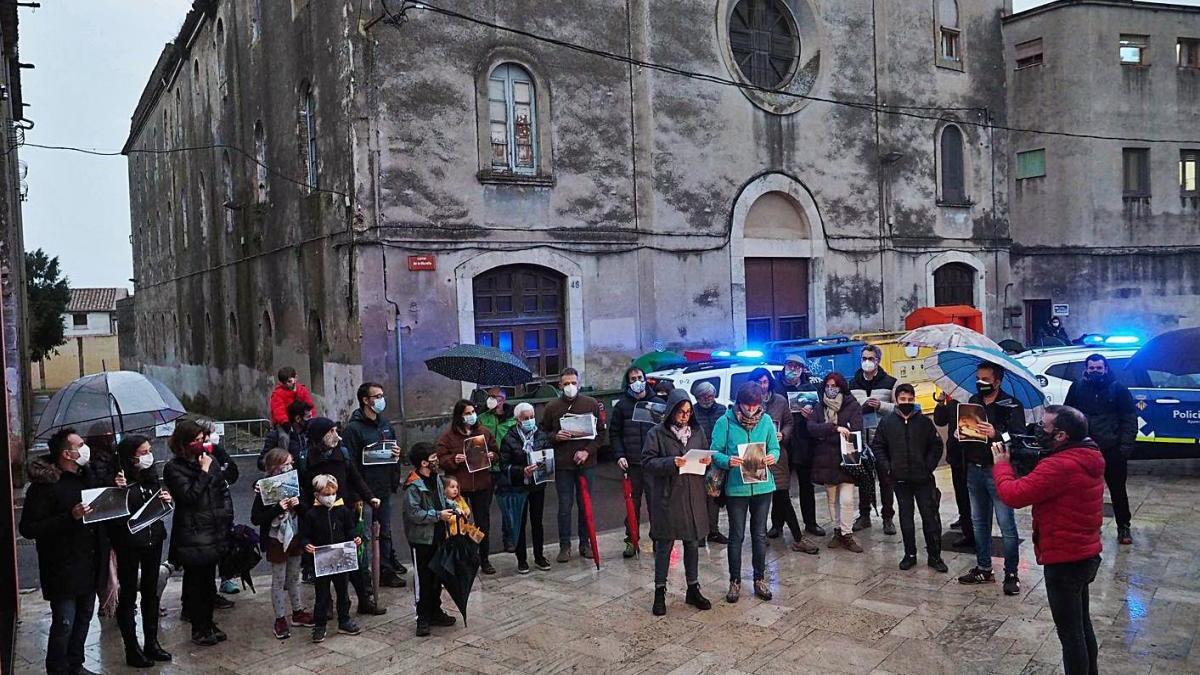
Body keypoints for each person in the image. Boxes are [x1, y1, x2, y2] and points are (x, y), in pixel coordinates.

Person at [994, 406, 1105, 675]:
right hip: (1084, 552)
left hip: (1064, 559)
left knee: (1070, 636)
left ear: (1061, 436)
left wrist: (1001, 467)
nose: (1038, 431)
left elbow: (1014, 495)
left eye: (1044, 427)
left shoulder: (1059, 465)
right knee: (1081, 625)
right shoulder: (1088, 453)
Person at [19, 428, 108, 675]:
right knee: (65, 622)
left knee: (84, 618)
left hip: (89, 561)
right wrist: (70, 517)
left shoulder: (87, 477)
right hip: (62, 566)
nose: (85, 448)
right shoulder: (45, 485)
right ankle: (57, 668)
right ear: (67, 453)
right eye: (80, 445)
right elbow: (28, 527)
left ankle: (75, 664)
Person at [943, 361, 1027, 595]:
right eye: (978, 378)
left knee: (1005, 523)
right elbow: (966, 428)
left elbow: (1018, 435)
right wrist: (961, 434)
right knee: (979, 522)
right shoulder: (973, 401)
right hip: (974, 467)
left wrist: (997, 433)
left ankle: (1011, 573)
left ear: (997, 381)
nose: (981, 383)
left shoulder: (1011, 404)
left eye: (986, 380)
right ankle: (984, 567)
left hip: (998, 469)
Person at [299, 417, 387, 616]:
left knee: (356, 558)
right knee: (323, 563)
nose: (335, 436)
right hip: (318, 518)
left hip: (343, 514)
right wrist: (307, 513)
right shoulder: (306, 459)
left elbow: (355, 478)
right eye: (330, 432)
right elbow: (302, 490)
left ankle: (364, 600)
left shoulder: (342, 453)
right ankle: (326, 604)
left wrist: (369, 497)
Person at [162, 419, 234, 646]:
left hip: (213, 528)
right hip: (193, 532)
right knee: (196, 583)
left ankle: (208, 622)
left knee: (208, 582)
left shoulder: (209, 460)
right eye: (196, 441)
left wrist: (225, 514)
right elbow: (188, 497)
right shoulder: (173, 468)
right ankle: (199, 626)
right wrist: (202, 473)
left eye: (202, 440)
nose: (201, 445)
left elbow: (222, 488)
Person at [643, 389, 714, 615]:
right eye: (680, 412)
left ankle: (693, 587)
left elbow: (705, 458)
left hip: (693, 494)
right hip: (668, 495)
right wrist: (671, 463)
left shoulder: (697, 431)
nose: (684, 416)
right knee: (665, 545)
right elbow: (648, 462)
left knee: (693, 542)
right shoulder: (657, 433)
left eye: (688, 412)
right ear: (672, 411)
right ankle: (659, 591)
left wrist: (706, 461)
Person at [710, 382, 781, 603]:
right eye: (746, 406)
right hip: (736, 487)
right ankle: (735, 581)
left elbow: (775, 448)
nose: (750, 411)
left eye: (754, 406)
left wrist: (773, 457)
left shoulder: (767, 420)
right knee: (736, 535)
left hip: (762, 486)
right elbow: (715, 452)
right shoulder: (725, 422)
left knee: (760, 534)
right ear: (738, 404)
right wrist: (727, 460)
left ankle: (759, 578)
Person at [110, 435, 174, 666]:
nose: (148, 456)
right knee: (128, 595)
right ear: (131, 456)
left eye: (149, 451)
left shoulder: (151, 475)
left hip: (152, 539)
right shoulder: (118, 477)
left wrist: (166, 499)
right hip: (128, 543)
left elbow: (156, 501)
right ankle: (132, 647)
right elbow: (113, 514)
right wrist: (119, 490)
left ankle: (152, 642)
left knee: (151, 591)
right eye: (143, 452)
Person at [871, 384, 947, 573]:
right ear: (896, 400)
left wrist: (928, 466)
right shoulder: (887, 423)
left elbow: (936, 445)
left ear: (914, 400)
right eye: (903, 399)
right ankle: (909, 554)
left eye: (910, 400)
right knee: (906, 518)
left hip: (923, 479)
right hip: (900, 479)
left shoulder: (924, 422)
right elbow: (878, 446)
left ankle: (935, 556)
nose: (906, 403)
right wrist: (888, 468)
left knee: (930, 518)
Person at [1064, 353, 1137, 546]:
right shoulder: (1077, 388)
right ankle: (1087, 526)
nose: (1095, 371)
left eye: (1099, 368)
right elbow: (1067, 415)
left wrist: (1125, 447)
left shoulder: (1119, 389)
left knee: (1117, 490)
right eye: (1092, 368)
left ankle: (1123, 526)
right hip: (1084, 449)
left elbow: (1129, 419)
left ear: (1105, 369)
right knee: (1083, 491)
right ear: (1086, 369)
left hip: (1112, 449)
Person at [342, 382, 406, 588]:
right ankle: (365, 578)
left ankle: (386, 571)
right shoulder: (353, 429)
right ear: (365, 401)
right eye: (376, 396)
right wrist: (358, 494)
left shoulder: (385, 425)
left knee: (385, 532)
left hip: (384, 488)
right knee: (365, 536)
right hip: (364, 492)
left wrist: (397, 457)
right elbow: (349, 463)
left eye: (381, 395)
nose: (381, 399)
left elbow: (393, 452)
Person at [541, 368, 608, 563]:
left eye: (573, 383)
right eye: (566, 383)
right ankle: (565, 545)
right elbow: (543, 433)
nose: (570, 387)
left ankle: (585, 543)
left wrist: (587, 451)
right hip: (563, 466)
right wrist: (555, 436)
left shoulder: (591, 404)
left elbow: (601, 434)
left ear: (578, 383)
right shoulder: (552, 407)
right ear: (560, 385)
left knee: (585, 504)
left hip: (586, 463)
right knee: (564, 506)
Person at [251, 448, 313, 640]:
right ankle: (279, 618)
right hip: (276, 538)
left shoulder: (295, 484)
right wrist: (277, 508)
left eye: (291, 463)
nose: (290, 467)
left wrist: (298, 505)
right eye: (286, 464)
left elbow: (307, 512)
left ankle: (297, 611)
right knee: (278, 579)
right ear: (275, 467)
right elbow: (256, 518)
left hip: (294, 535)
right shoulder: (264, 488)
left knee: (294, 576)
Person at [435, 400, 500, 574]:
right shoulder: (447, 437)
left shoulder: (484, 433)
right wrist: (453, 460)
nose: (471, 416)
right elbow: (441, 459)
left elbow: (496, 452)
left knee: (482, 522)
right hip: (460, 486)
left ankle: (484, 558)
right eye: (467, 413)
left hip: (481, 483)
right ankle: (462, 559)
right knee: (459, 522)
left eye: (473, 412)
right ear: (459, 416)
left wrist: (492, 455)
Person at [609, 366, 665, 558]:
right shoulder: (622, 406)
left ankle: (658, 538)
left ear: (645, 379)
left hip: (653, 463)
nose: (637, 381)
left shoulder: (657, 403)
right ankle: (631, 540)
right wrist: (619, 455)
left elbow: (664, 432)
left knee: (656, 503)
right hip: (631, 463)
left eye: (639, 377)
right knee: (632, 504)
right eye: (633, 379)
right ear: (628, 382)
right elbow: (614, 433)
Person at [402, 443, 458, 637]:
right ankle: (422, 617)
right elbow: (414, 514)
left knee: (437, 578)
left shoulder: (437, 479)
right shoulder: (413, 486)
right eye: (433, 458)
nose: (437, 461)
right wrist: (437, 515)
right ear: (424, 462)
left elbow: (442, 500)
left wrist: (453, 507)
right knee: (423, 580)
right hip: (422, 540)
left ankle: (436, 611)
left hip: (439, 536)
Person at [300, 474, 363, 643]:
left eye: (332, 493)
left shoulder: (343, 511)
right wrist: (307, 545)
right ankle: (320, 625)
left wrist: (355, 538)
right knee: (321, 595)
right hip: (321, 560)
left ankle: (344, 620)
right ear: (317, 495)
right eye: (326, 494)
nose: (330, 497)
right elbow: (305, 536)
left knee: (343, 592)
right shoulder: (311, 515)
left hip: (341, 558)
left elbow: (350, 529)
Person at [807, 372, 866, 553]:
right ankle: (837, 530)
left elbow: (855, 431)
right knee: (832, 499)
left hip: (846, 459)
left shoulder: (852, 405)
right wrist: (834, 428)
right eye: (828, 386)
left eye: (834, 386)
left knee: (846, 499)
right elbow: (811, 428)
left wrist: (825, 434)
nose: (831, 390)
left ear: (841, 387)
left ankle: (847, 534)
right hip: (825, 460)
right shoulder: (819, 406)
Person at [849, 344, 897, 534]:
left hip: (883, 440)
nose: (867, 362)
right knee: (864, 480)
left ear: (878, 360)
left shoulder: (891, 382)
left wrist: (881, 406)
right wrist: (861, 407)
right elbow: (848, 410)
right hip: (861, 439)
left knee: (886, 480)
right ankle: (864, 515)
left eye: (871, 358)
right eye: (864, 359)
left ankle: (888, 518)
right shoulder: (852, 384)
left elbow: (898, 408)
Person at [499, 402, 552, 573]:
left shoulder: (541, 435)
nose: (530, 421)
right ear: (518, 420)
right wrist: (522, 471)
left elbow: (548, 456)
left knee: (537, 522)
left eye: (532, 417)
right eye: (526, 418)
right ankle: (521, 559)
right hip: (519, 487)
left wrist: (544, 466)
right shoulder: (509, 438)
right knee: (520, 523)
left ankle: (539, 556)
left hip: (537, 486)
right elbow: (504, 465)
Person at [776, 354, 825, 539]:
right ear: (785, 366)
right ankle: (777, 524)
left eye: (798, 366)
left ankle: (810, 523)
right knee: (780, 486)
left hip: (805, 443)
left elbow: (820, 414)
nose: (794, 369)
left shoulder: (810, 389)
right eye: (790, 365)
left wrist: (811, 415)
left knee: (806, 485)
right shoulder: (776, 387)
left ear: (803, 369)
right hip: (783, 443)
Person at [194, 418, 242, 601]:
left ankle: (226, 578)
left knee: (225, 543)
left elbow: (233, 472)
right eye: (209, 432)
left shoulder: (218, 451)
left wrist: (220, 475)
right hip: (205, 511)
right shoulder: (192, 457)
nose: (214, 436)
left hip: (223, 506)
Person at [479, 387, 519, 552]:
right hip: (486, 468)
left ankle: (509, 539)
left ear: (503, 399)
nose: (493, 399)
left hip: (505, 467)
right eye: (490, 396)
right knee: (482, 509)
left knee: (507, 506)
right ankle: (482, 542)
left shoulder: (512, 418)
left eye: (496, 397)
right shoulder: (481, 418)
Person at [934, 394, 975, 552]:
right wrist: (941, 403)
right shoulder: (953, 403)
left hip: (973, 456)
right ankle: (965, 524)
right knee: (961, 493)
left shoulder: (975, 402)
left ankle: (973, 527)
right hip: (956, 455)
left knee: (973, 494)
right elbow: (940, 420)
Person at [691, 381, 728, 544]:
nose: (707, 399)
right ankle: (700, 533)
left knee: (713, 498)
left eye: (710, 395)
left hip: (717, 460)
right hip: (698, 459)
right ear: (698, 397)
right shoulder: (691, 411)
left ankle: (713, 530)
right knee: (698, 498)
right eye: (703, 396)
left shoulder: (722, 410)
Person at [259, 399, 313, 470]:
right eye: (308, 417)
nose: (311, 419)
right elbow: (261, 463)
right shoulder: (277, 436)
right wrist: (281, 464)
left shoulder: (308, 434)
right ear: (298, 418)